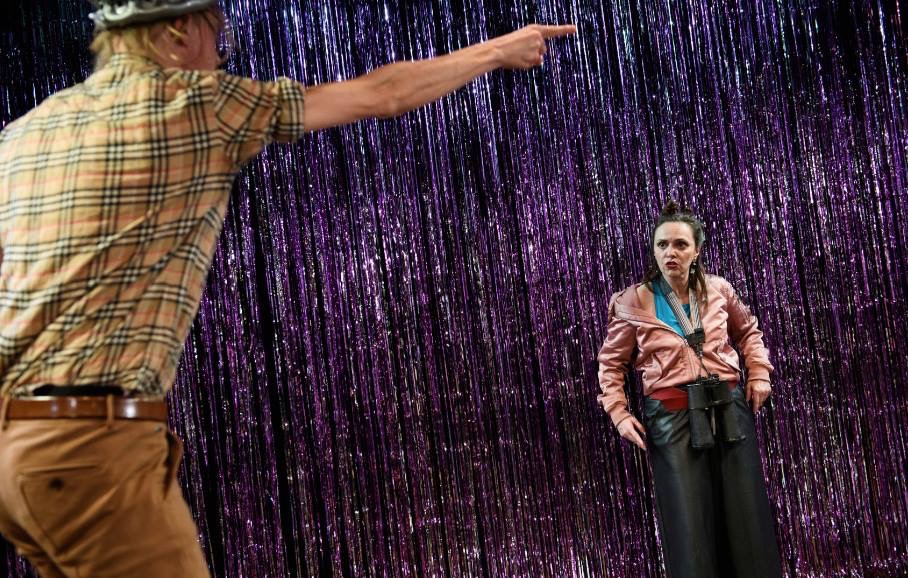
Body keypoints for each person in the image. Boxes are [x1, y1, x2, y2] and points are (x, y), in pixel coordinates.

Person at [0, 2, 575, 576]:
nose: (219, 59)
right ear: (178, 31)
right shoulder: (196, 103)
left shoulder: (28, 131)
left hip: (15, 452)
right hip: (89, 450)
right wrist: (497, 51)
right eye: (218, 39)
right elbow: (382, 93)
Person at [596, 201, 782, 578]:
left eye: (680, 244)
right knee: (689, 524)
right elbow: (611, 364)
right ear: (653, 250)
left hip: (728, 409)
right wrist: (618, 413)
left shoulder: (719, 289)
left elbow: (749, 332)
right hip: (672, 417)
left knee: (745, 518)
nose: (671, 252)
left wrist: (760, 373)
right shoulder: (633, 301)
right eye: (662, 244)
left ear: (696, 250)